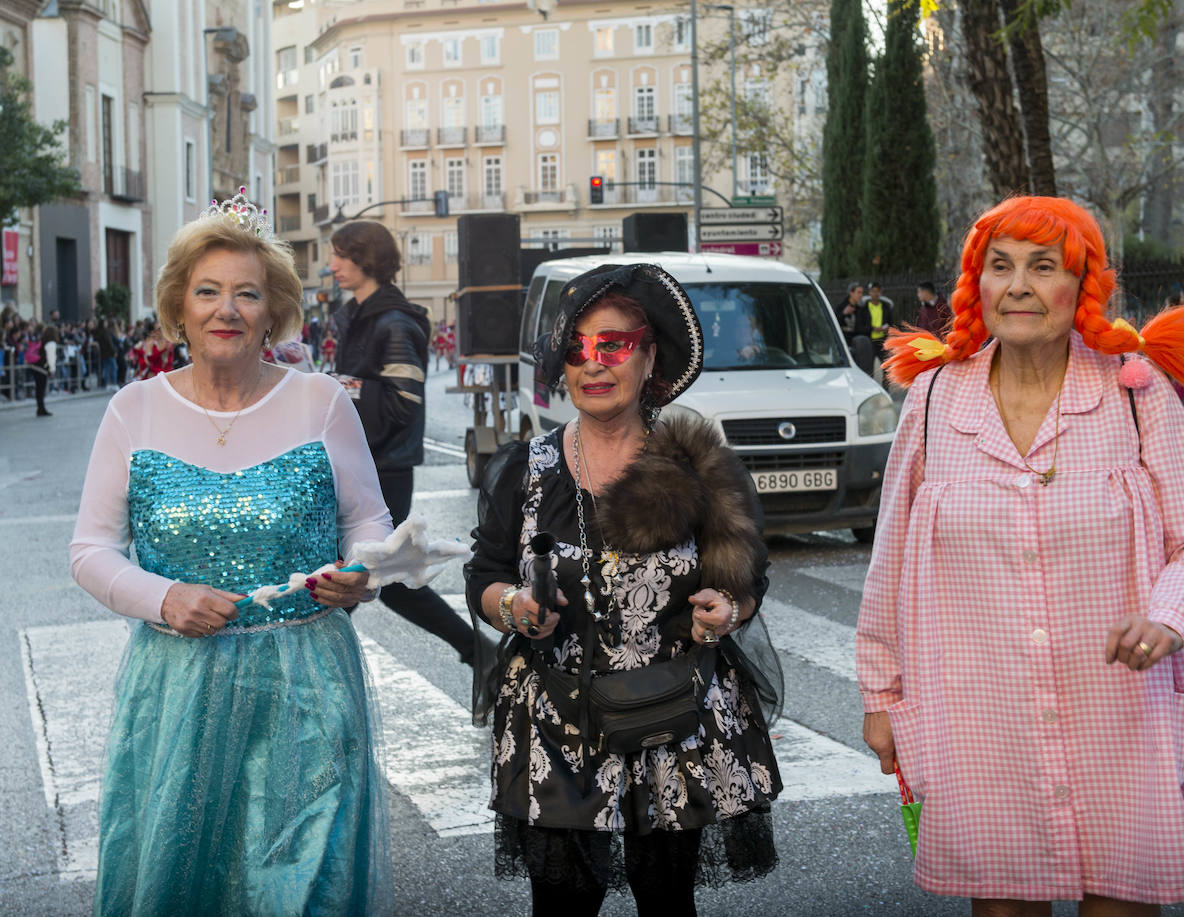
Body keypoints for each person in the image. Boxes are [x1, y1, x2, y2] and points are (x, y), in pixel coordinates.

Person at [860, 196, 1184, 915]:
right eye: (999, 266)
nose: (1018, 286)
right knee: (1004, 907)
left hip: (1121, 712)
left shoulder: (1134, 395)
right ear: (975, 286)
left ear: (1085, 285)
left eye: (1044, 267)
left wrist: (1168, 617)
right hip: (985, 717)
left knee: (1121, 902)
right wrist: (882, 695)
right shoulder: (936, 400)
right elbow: (890, 559)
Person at [68, 190, 394, 915]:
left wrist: (361, 570)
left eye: (247, 293)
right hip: (178, 687)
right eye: (208, 291)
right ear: (179, 307)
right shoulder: (135, 410)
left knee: (304, 881)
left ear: (272, 310)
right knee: (186, 880)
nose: (227, 309)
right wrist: (163, 597)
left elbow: (369, 518)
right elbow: (90, 549)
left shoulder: (321, 403)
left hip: (306, 683)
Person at [465, 263, 783, 916]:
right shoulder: (526, 470)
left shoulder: (698, 466)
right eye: (578, 347)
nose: (594, 362)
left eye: (613, 344)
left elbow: (746, 580)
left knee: (668, 902)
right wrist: (514, 607)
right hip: (557, 724)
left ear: (650, 355)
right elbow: (483, 577)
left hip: (674, 720)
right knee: (560, 904)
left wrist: (727, 609)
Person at [330, 220, 477, 665]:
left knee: (368, 577)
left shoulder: (393, 322)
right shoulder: (358, 316)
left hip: (385, 467)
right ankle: (480, 653)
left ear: (366, 259)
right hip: (364, 462)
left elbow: (401, 403)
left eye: (341, 254)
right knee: (372, 578)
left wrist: (337, 385)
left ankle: (480, 652)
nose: (332, 264)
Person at [835, 281, 874, 371]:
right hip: (844, 343)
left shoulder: (863, 307)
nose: (860, 295)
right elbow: (834, 323)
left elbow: (868, 326)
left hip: (859, 344)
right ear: (851, 293)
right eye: (858, 292)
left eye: (862, 292)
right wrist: (844, 313)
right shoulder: (841, 306)